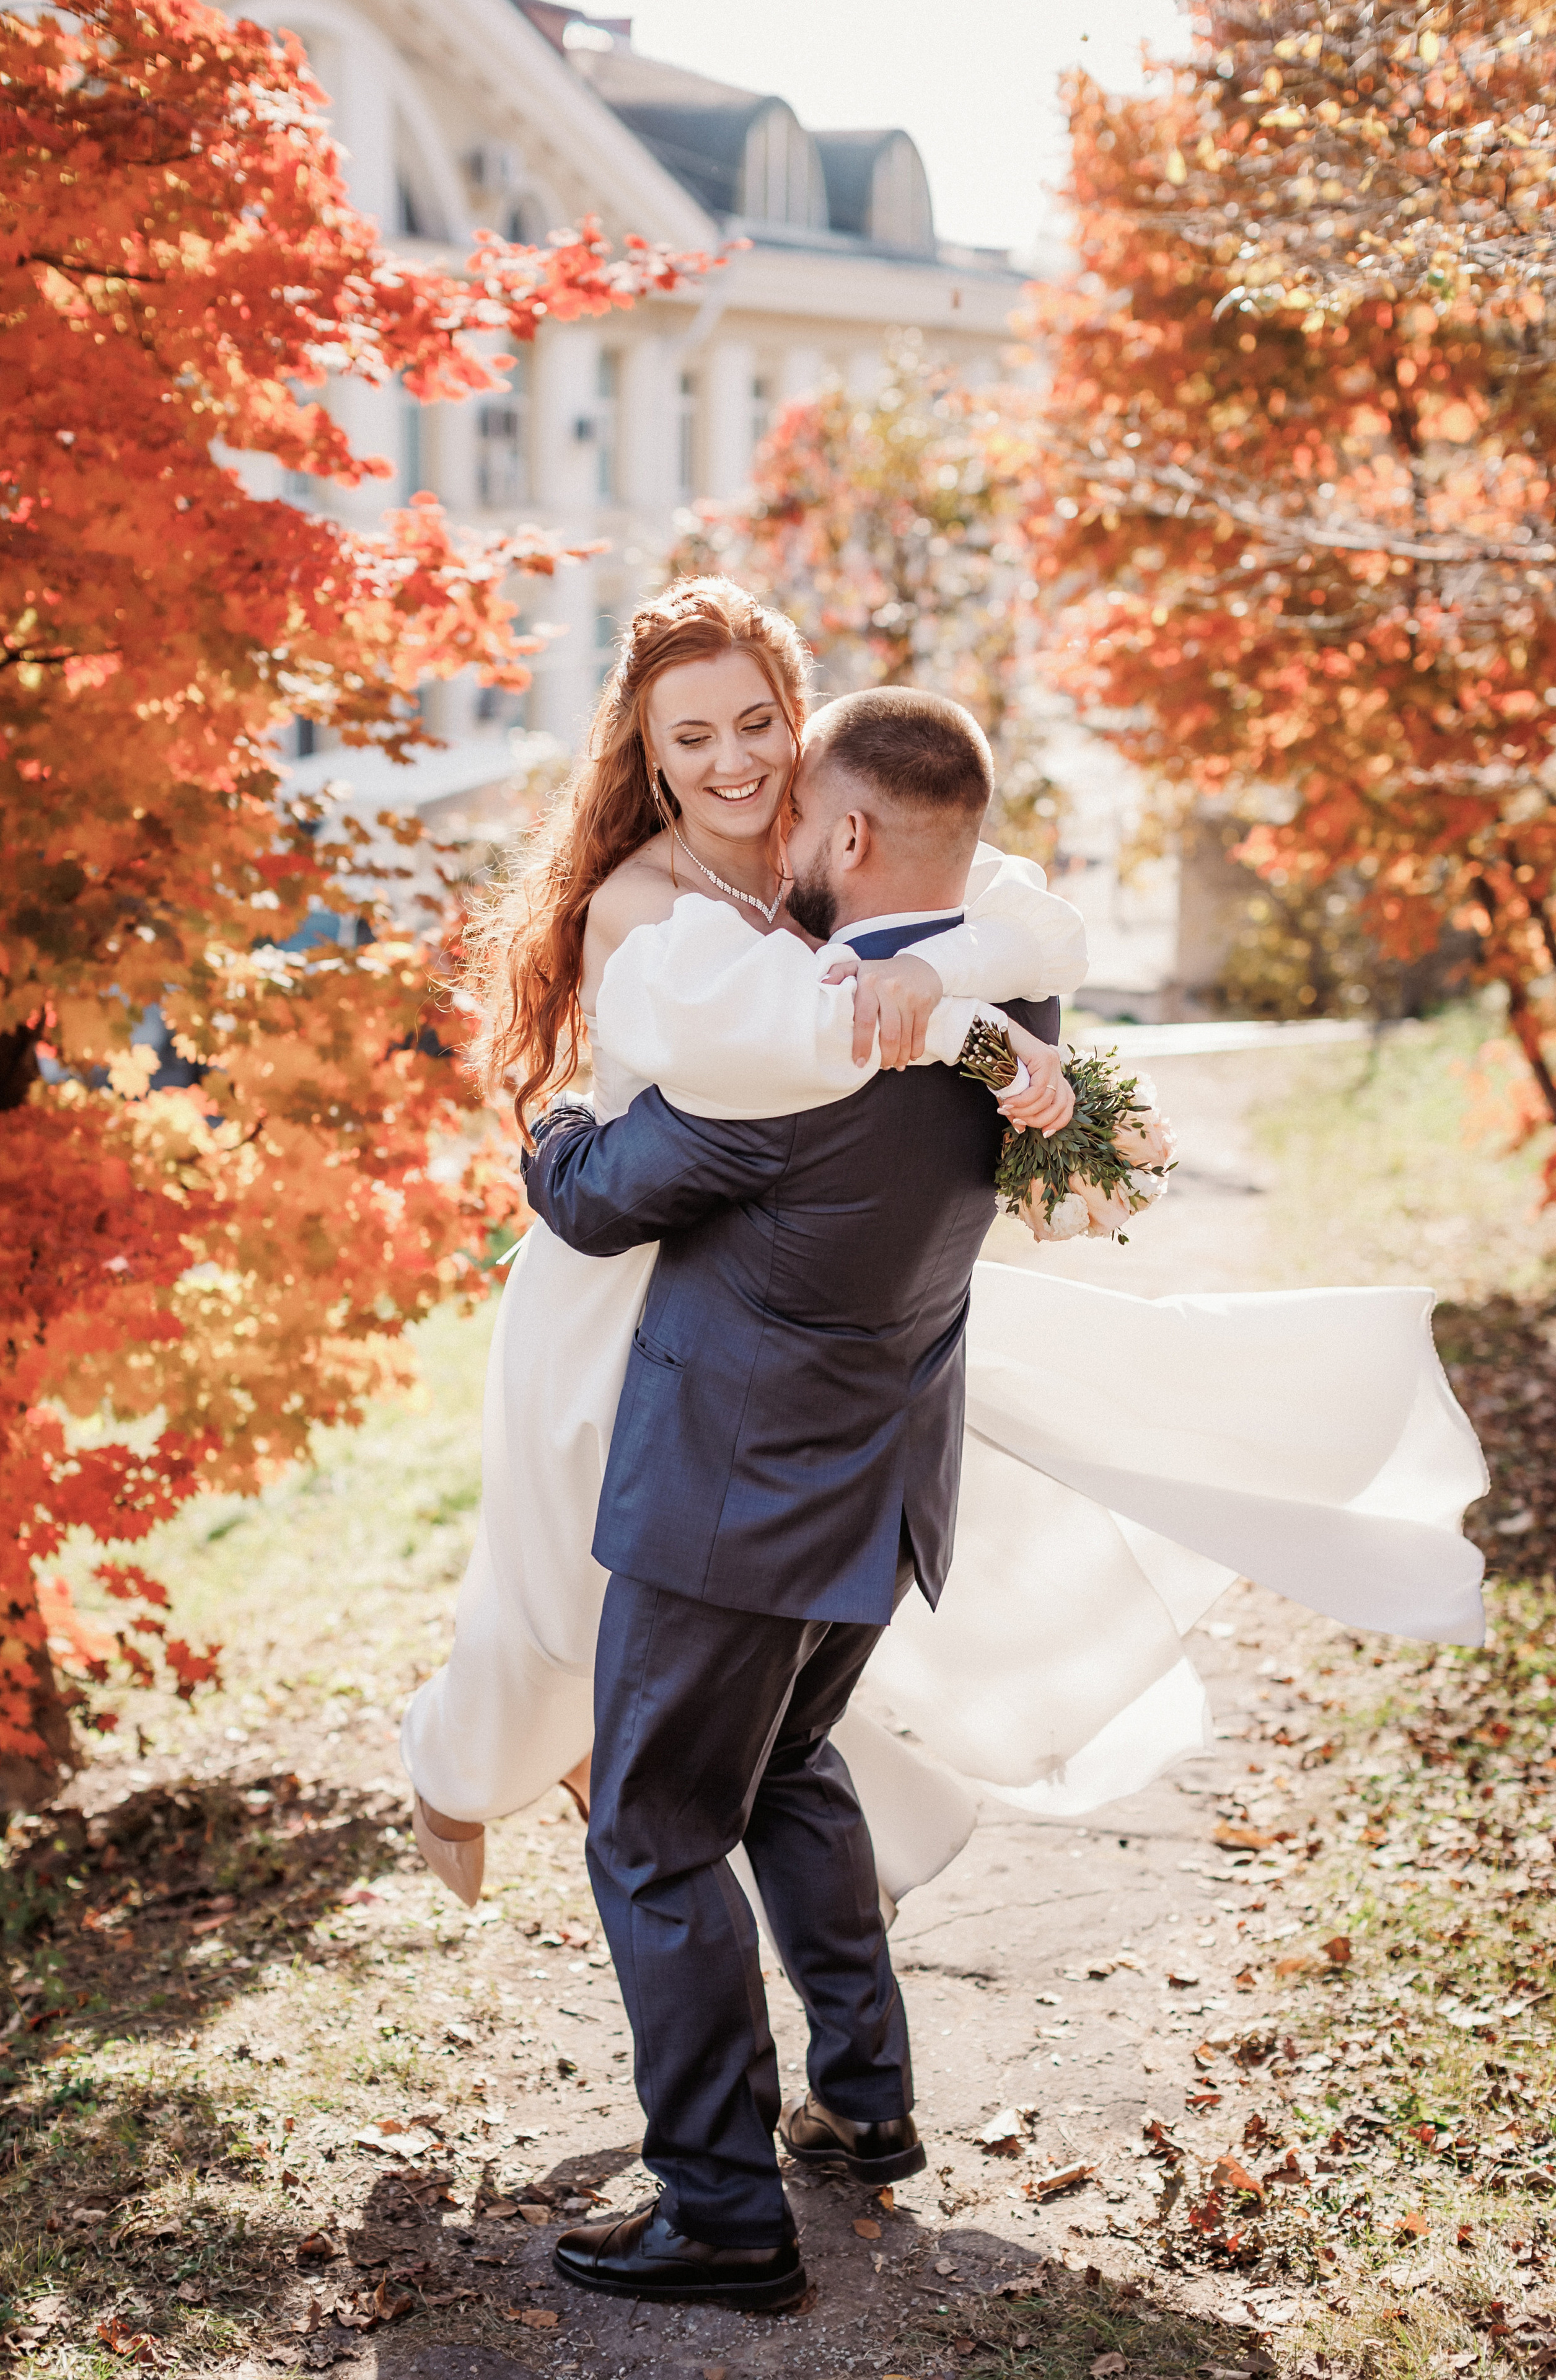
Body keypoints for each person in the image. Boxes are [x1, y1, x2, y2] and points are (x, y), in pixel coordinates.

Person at [402, 578, 1090, 1906]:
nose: (732, 763)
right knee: (561, 1599)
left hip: (771, 1273)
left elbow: (1036, 921)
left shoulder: (839, 835)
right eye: (692, 737)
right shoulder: (639, 902)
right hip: (620, 1275)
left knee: (708, 1616)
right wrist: (955, 1019)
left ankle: (748, 1821)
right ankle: (459, 1765)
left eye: (755, 723)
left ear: (798, 717)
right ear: (647, 755)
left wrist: (936, 971)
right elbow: (778, 1047)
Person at [519, 677, 1065, 2311]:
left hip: (729, 1510)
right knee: (787, 1769)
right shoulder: (1023, 1023)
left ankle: (724, 2214)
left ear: (845, 832)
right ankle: (871, 2104)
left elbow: (598, 1197)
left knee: (652, 1830)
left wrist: (553, 1115)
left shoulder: (791, 1047)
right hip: (878, 1500)